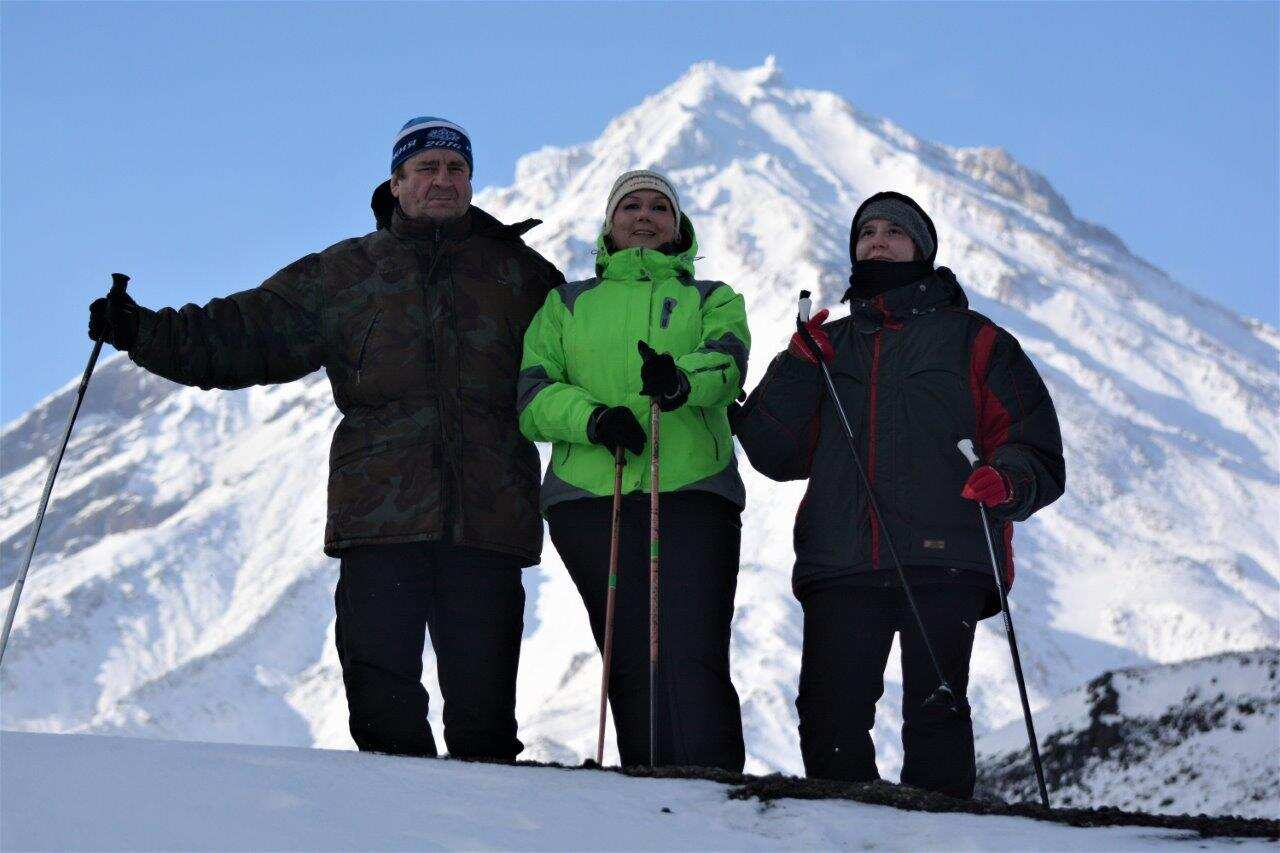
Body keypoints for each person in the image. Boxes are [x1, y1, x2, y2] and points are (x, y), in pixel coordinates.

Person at [88, 116, 565, 761]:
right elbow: (241, 336)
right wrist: (140, 331)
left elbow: (583, 364)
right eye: (426, 169)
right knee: (382, 706)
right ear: (396, 183)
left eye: (456, 169)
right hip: (379, 519)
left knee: (484, 720)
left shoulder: (525, 277)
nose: (443, 180)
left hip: (489, 521)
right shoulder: (346, 275)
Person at [733, 191, 1064, 797]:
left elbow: (1031, 441)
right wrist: (796, 365)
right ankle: (846, 838)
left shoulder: (977, 340)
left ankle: (939, 841)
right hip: (842, 560)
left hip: (947, 559)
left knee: (937, 718)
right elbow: (772, 451)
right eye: (867, 232)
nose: (877, 241)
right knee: (830, 721)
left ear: (923, 249)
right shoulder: (827, 345)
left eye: (894, 231)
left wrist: (1009, 479)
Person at [517, 170, 751, 770]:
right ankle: (646, 786)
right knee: (627, 647)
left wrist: (677, 381)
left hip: (694, 489)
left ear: (679, 226)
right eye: (631, 206)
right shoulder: (564, 304)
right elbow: (533, 393)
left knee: (693, 644)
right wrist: (592, 420)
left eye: (659, 208)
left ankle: (715, 786)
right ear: (608, 224)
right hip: (593, 495)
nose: (644, 217)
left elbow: (727, 363)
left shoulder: (713, 297)